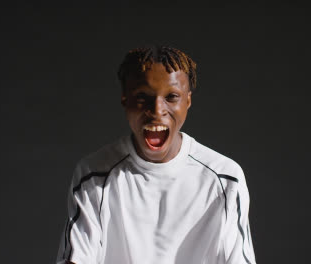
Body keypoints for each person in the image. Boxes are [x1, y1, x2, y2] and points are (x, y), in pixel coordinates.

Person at [56, 46, 257, 264]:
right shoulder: (93, 175)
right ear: (125, 100)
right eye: (143, 97)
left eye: (171, 97)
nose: (157, 110)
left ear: (187, 102)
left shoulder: (225, 178)